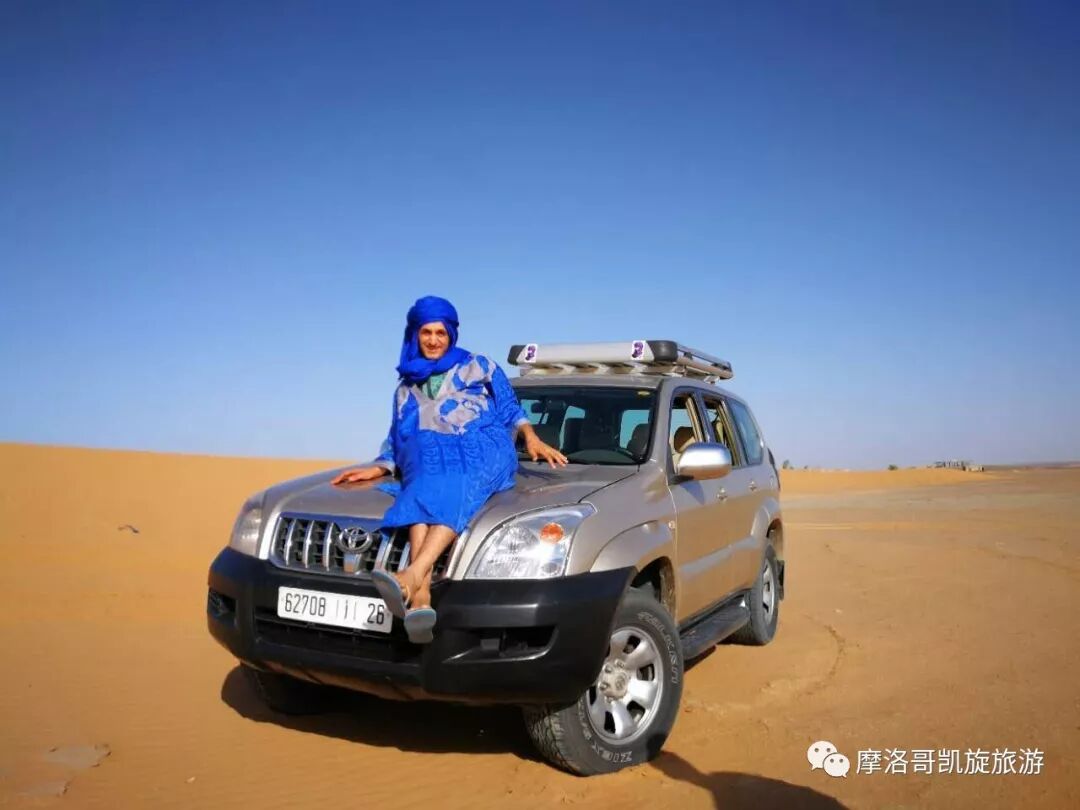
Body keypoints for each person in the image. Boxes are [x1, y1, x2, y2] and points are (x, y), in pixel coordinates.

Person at [332, 295, 567, 643]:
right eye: (426, 332)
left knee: (453, 480)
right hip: (428, 456)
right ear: (415, 334)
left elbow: (509, 408)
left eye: (440, 333)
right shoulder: (406, 386)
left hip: (482, 449)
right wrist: (380, 467)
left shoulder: (478, 366)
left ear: (451, 334)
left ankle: (412, 574)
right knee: (419, 483)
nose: (433, 340)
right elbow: (398, 435)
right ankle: (421, 598)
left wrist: (530, 437)